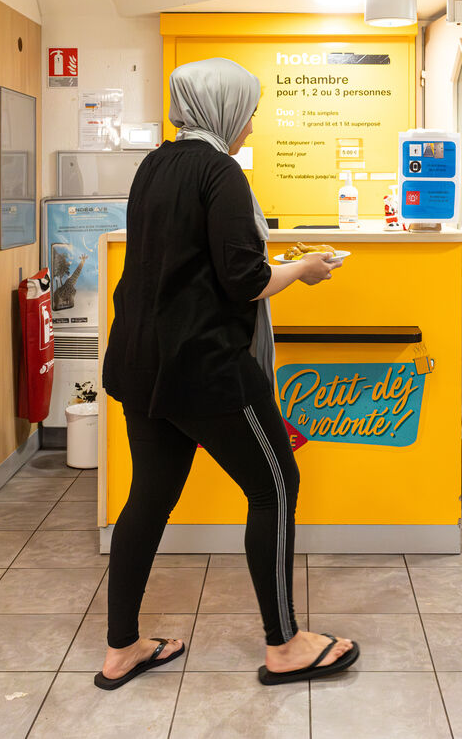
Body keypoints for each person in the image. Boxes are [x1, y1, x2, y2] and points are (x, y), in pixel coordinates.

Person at [96, 58, 359, 690]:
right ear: (225, 109)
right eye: (249, 113)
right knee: (276, 486)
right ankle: (286, 645)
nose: (251, 127)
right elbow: (246, 281)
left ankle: (122, 649)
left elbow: (190, 263)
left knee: (148, 497)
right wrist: (304, 270)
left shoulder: (154, 165)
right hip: (205, 367)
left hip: (141, 362)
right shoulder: (221, 172)